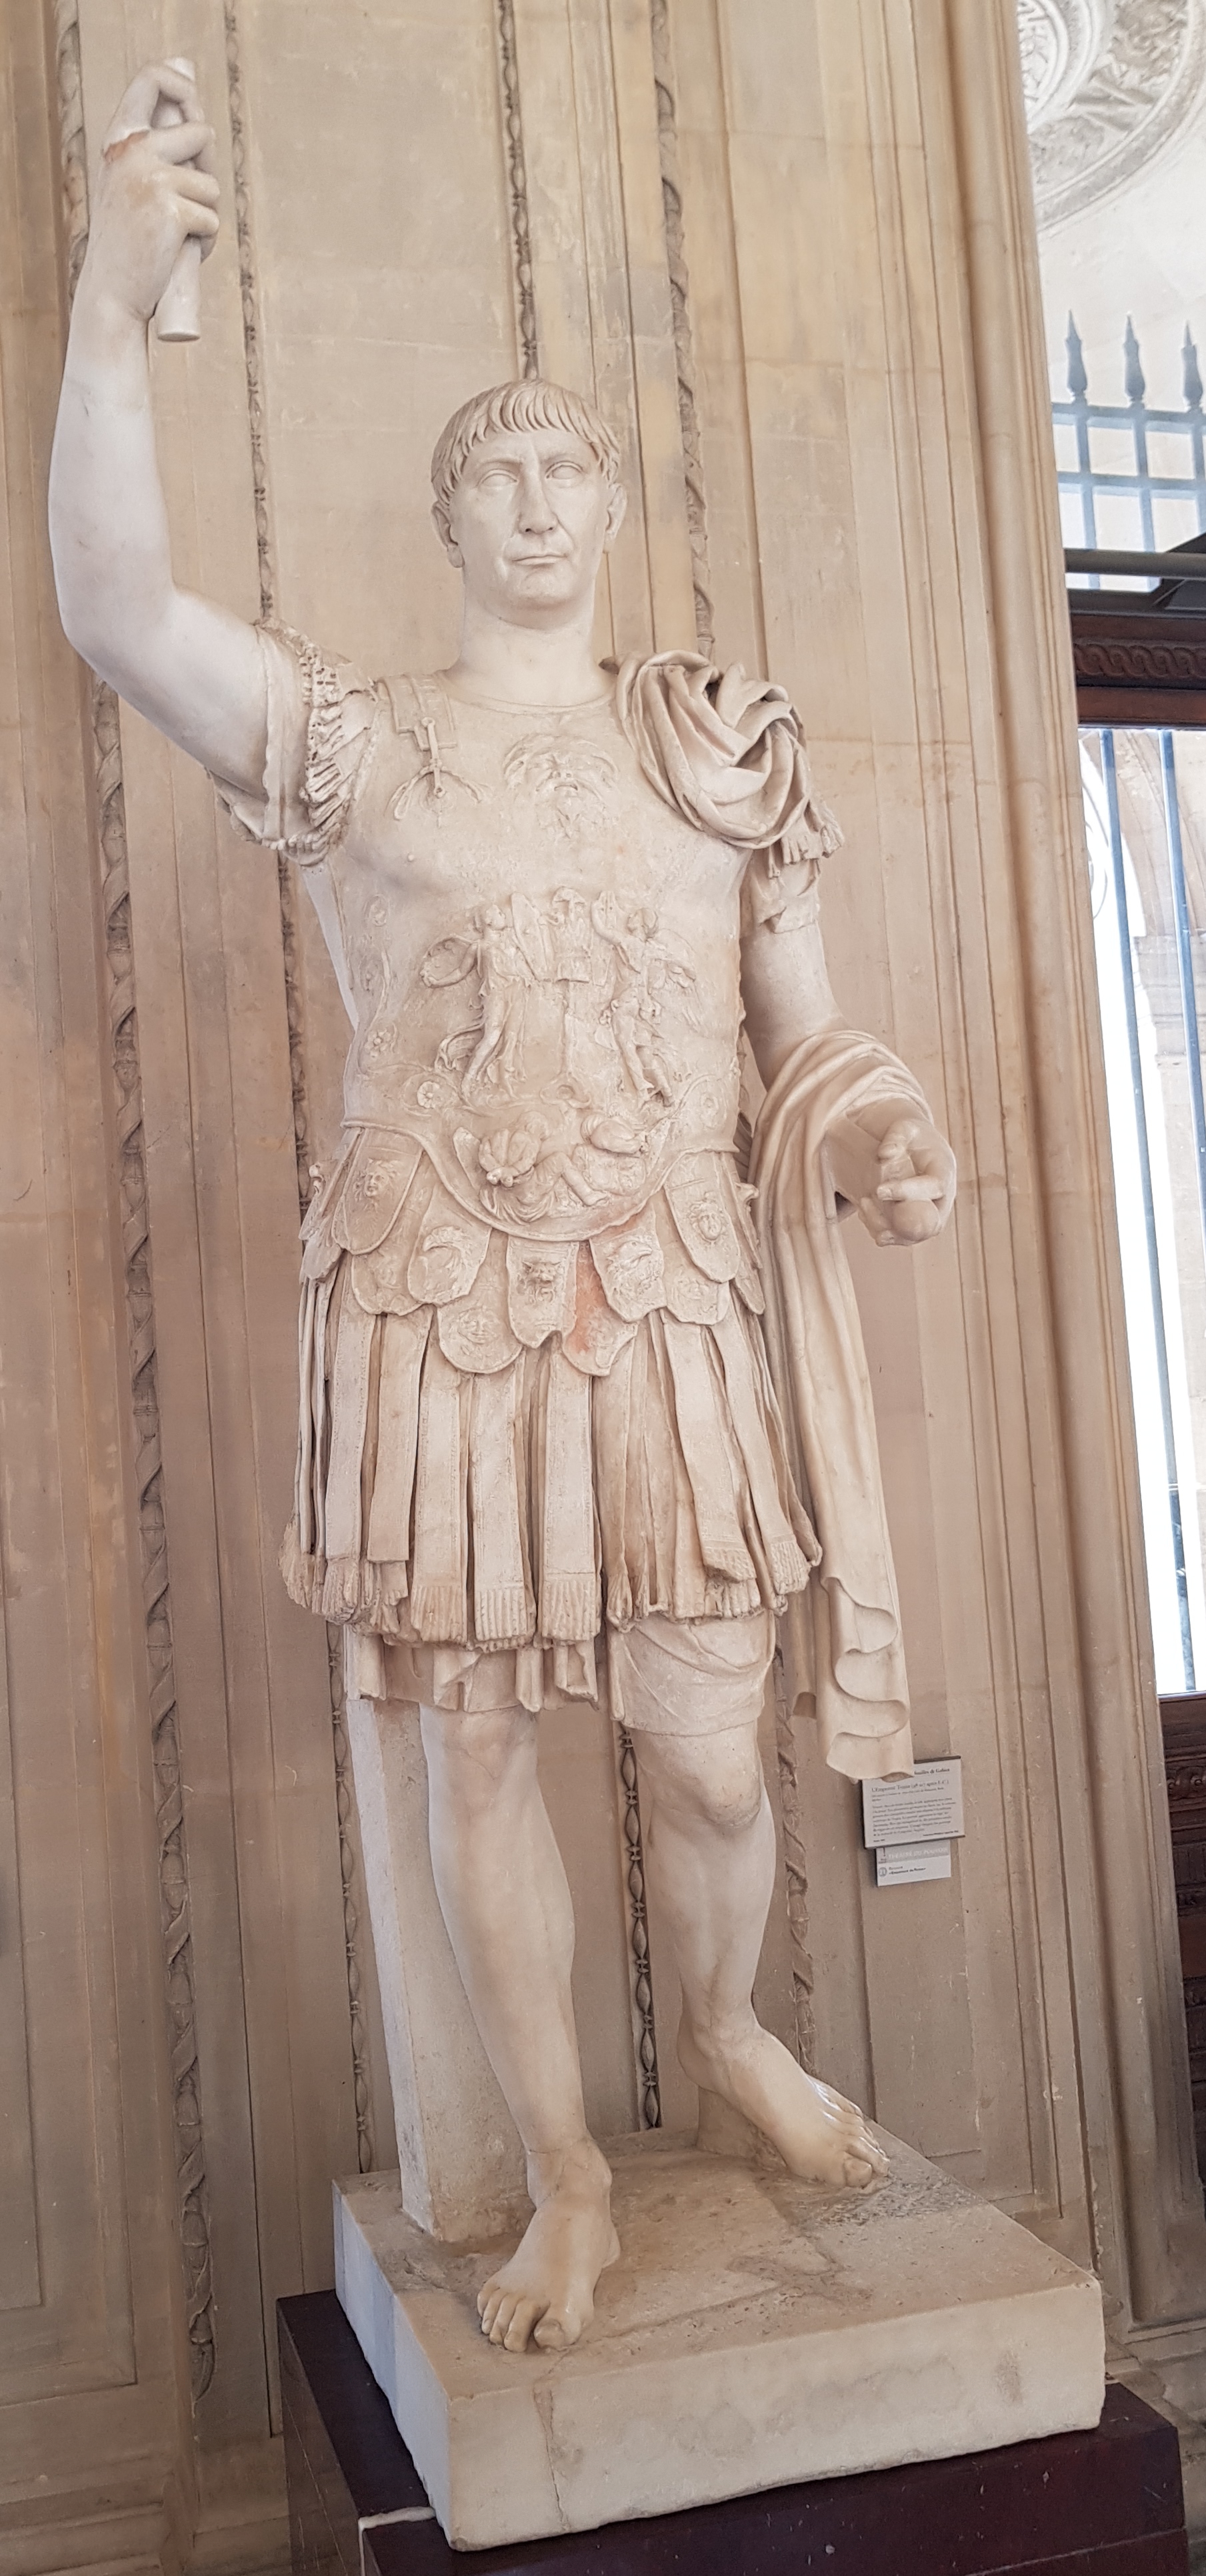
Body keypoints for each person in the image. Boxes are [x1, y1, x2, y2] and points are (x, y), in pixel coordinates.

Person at [50, 65, 956, 2361]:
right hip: (439, 1298)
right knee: (470, 1746)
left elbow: (805, 1030)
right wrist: (110, 300)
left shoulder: (710, 747)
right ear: (446, 517)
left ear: (612, 509)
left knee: (708, 1753)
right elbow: (117, 605)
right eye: (499, 475)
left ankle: (724, 2031)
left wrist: (876, 1135)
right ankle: (562, 2171)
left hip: (667, 1303)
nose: (538, 503)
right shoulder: (361, 743)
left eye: (568, 472)